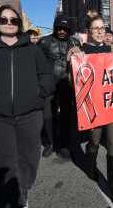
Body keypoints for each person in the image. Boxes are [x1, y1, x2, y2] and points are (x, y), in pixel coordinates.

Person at [0, 5, 54, 207]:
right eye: (3, 20)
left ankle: (23, 188)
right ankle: (7, 195)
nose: (9, 23)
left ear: (19, 24)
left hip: (31, 113)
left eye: (13, 20)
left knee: (29, 155)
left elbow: (47, 76)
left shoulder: (32, 49)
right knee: (3, 158)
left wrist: (39, 94)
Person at [68, 15, 113, 207]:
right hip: (93, 106)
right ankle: (90, 163)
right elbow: (73, 82)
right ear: (89, 32)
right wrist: (73, 60)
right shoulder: (81, 52)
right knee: (94, 140)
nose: (100, 31)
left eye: (102, 28)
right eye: (95, 28)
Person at [38, 15, 81, 159]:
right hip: (49, 85)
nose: (62, 31)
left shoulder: (75, 42)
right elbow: (37, 64)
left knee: (66, 116)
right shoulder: (44, 42)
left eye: (65, 28)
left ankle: (63, 144)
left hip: (67, 85)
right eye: (59, 28)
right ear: (55, 27)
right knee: (48, 116)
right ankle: (50, 143)